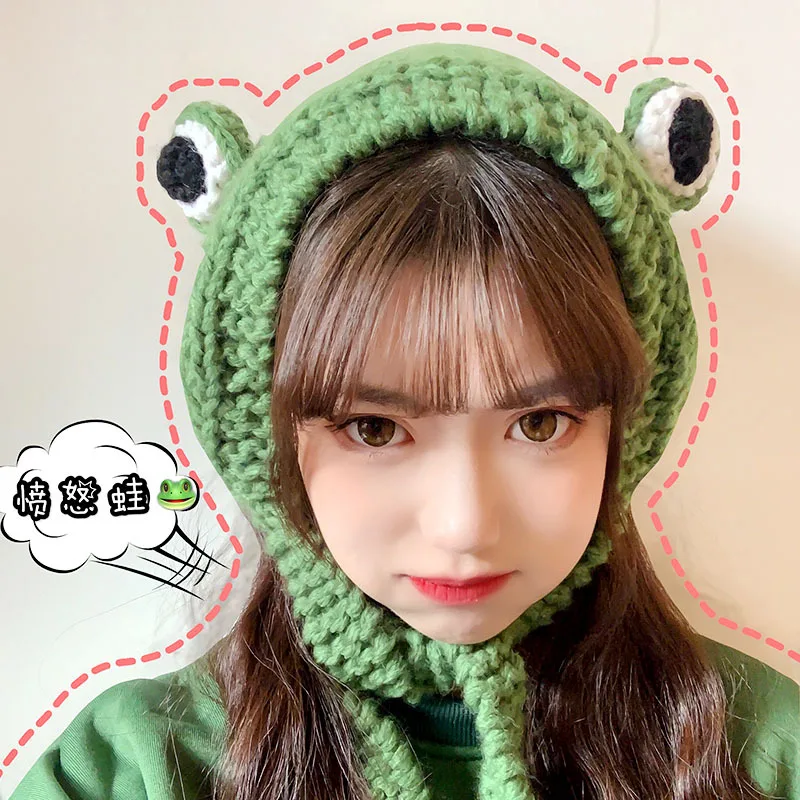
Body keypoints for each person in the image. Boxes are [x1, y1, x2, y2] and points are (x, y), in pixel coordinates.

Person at [8, 42, 800, 800]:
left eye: (541, 423)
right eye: (375, 429)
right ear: (269, 445)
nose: (464, 525)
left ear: (626, 428)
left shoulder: (764, 755)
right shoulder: (130, 771)